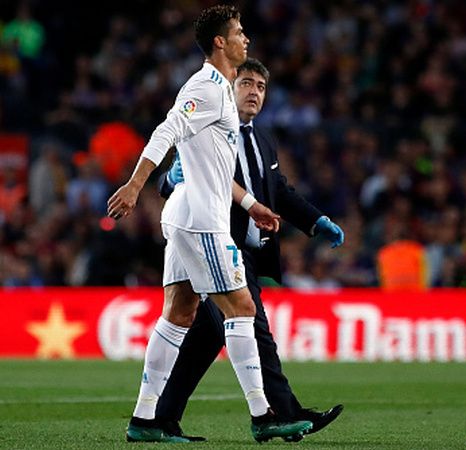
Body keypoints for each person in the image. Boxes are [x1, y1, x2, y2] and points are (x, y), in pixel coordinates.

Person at [106, 5, 312, 443]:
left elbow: (210, 163)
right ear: (220, 42)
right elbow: (168, 130)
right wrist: (135, 183)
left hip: (185, 216)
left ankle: (145, 420)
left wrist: (252, 203)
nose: (246, 40)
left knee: (179, 313)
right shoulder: (209, 87)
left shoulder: (217, 88)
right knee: (242, 307)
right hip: (202, 222)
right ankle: (264, 415)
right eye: (239, 33)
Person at [154, 57, 345, 441]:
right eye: (247, 83)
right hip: (218, 245)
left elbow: (281, 193)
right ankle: (281, 414)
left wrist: (315, 220)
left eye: (260, 85)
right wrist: (168, 179)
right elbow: (174, 177)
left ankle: (159, 417)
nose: (254, 91)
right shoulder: (207, 128)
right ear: (229, 88)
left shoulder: (263, 140)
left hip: (250, 251)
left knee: (205, 339)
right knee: (254, 326)